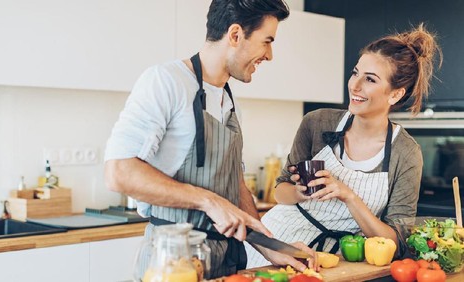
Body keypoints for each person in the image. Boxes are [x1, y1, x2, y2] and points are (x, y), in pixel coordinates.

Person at [104, 0, 317, 279]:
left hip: (225, 261)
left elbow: (235, 184)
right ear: (235, 35)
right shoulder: (165, 82)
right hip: (173, 260)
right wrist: (209, 201)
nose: (269, 55)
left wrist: (270, 245)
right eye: (266, 42)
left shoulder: (230, 101)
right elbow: (119, 172)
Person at [246, 23, 442, 267]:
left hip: (341, 260)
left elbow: (396, 243)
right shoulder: (316, 123)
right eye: (355, 73)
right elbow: (279, 192)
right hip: (279, 240)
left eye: (369, 79)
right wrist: (300, 192)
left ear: (395, 94)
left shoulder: (406, 152)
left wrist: (348, 195)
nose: (355, 86)